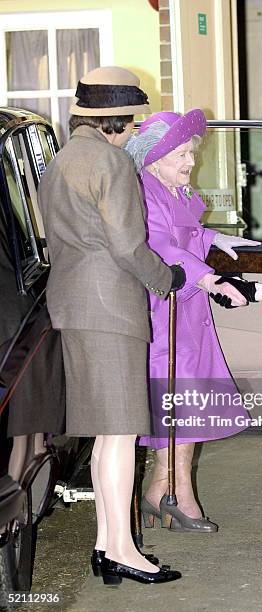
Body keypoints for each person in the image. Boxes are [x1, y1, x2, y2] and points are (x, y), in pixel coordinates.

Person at [38, 66, 185, 585]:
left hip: (73, 305)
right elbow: (128, 247)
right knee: (121, 433)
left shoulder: (59, 161)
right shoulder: (111, 163)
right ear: (117, 122)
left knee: (107, 437)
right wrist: (167, 277)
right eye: (133, 123)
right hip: (111, 311)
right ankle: (121, 550)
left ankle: (108, 544)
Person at [125, 110, 262, 531]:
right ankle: (177, 496)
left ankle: (158, 493)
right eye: (181, 154)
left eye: (191, 153)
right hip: (165, 309)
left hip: (185, 311)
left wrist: (216, 238)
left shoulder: (174, 191)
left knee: (186, 402)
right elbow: (162, 245)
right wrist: (210, 278)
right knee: (179, 403)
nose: (190, 162)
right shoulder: (145, 192)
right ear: (154, 159)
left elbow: (188, 233)